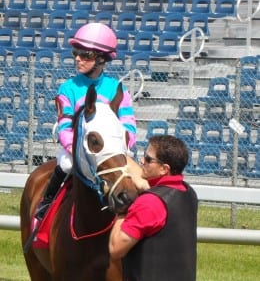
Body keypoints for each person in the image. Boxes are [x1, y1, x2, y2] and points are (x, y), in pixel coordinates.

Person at [35, 22, 148, 220]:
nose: (78, 59)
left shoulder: (117, 89)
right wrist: (73, 148)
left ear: (101, 59)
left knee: (137, 178)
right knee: (67, 164)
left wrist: (124, 149)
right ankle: (45, 204)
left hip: (113, 153)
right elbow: (64, 126)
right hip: (78, 152)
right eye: (75, 53)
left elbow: (128, 125)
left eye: (85, 55)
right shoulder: (68, 88)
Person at [109, 135, 198, 281]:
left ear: (164, 169)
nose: (142, 161)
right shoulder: (188, 192)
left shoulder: (149, 202)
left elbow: (115, 249)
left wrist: (122, 211)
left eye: (148, 159)